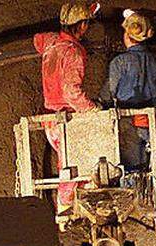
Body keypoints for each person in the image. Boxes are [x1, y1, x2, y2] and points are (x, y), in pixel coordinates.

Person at [34, 1, 101, 214]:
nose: (87, 28)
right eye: (86, 24)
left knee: (69, 162)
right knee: (74, 165)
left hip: (50, 119)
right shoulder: (73, 53)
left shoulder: (51, 42)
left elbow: (37, 40)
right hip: (66, 120)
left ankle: (72, 204)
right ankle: (65, 210)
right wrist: (92, 110)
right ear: (80, 26)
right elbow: (72, 91)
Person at [100, 10, 156, 171]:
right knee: (150, 173)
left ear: (127, 35)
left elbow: (108, 94)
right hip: (152, 123)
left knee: (128, 172)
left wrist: (99, 102)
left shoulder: (120, 63)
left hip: (128, 124)